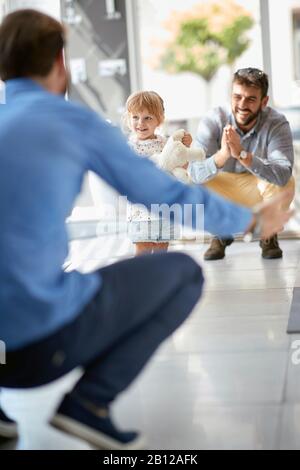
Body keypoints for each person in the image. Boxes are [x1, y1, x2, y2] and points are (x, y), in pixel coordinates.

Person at [0, 10, 292, 450]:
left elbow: (191, 170)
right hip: (43, 343)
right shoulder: (74, 124)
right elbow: (165, 192)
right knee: (182, 272)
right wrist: (251, 220)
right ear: (61, 64)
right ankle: (89, 404)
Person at [189, 67, 295, 260]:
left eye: (251, 99)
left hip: (257, 188)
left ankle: (267, 232)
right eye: (237, 97)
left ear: (264, 102)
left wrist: (243, 155)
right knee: (194, 179)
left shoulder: (277, 123)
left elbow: (282, 173)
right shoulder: (214, 119)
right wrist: (222, 155)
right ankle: (220, 232)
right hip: (223, 187)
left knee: (287, 182)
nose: (242, 104)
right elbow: (193, 172)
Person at [125, 90, 192, 255]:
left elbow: (181, 168)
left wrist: (185, 149)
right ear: (128, 119)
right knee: (143, 250)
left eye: (148, 118)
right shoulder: (128, 147)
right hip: (139, 211)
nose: (141, 123)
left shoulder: (166, 144)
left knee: (162, 248)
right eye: (135, 117)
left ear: (159, 120)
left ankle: (160, 278)